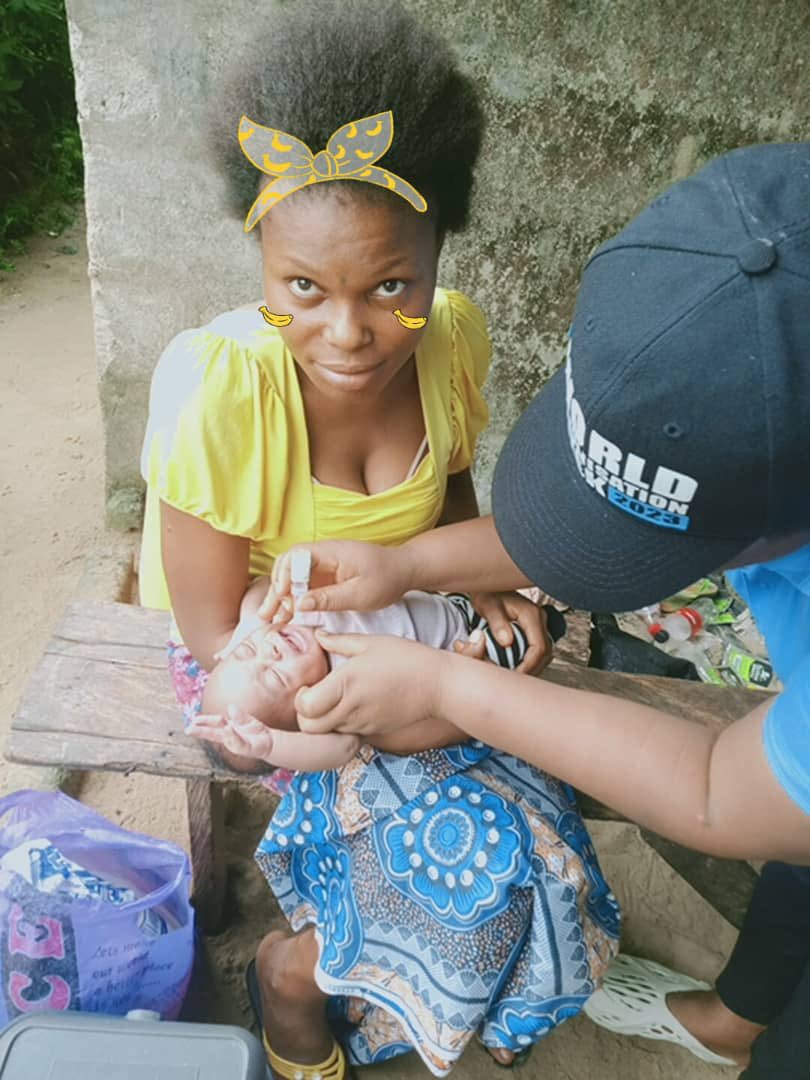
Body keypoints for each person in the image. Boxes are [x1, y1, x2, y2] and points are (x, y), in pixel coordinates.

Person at [258, 142, 810, 1077]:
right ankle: (741, 1007)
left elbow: (722, 791)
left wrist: (446, 685)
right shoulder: (725, 314)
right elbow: (581, 529)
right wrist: (404, 565)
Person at [136, 2, 553, 1075]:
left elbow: (453, 491)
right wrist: (359, 707)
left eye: (390, 286)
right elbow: (217, 636)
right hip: (273, 666)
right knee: (463, 831)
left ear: (437, 251)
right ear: (264, 265)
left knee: (523, 810)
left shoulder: (452, 337)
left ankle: (361, 979)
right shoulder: (222, 388)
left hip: (409, 622)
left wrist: (487, 597)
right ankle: (297, 990)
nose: (349, 331)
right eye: (302, 290)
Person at [187, 580, 617, 1076]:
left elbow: (258, 597)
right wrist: (269, 744)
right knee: (454, 891)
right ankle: (312, 979)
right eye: (275, 677)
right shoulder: (328, 703)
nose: (269, 652)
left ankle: (513, 1005)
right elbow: (335, 750)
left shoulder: (287, 620)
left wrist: (259, 624)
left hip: (464, 714)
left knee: (541, 863)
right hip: (406, 759)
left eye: (249, 649)